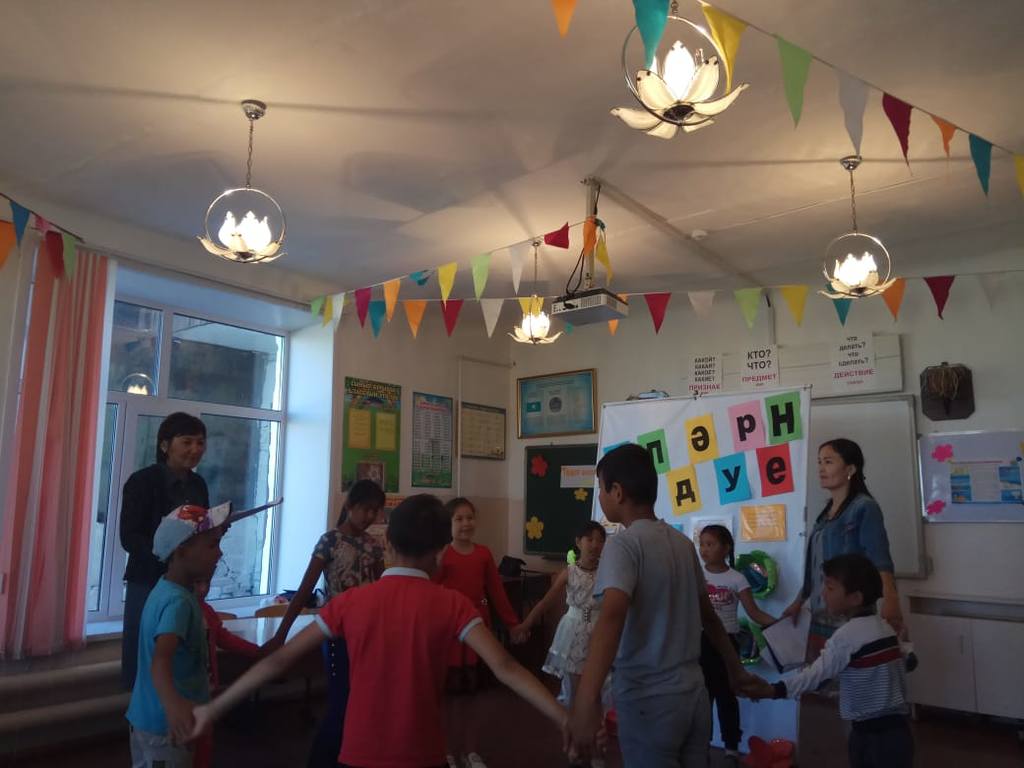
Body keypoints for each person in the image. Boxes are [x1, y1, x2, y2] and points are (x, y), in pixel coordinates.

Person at [189, 494, 567, 768]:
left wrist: (213, 709)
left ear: (387, 543)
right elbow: (506, 667)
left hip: (357, 753)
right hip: (423, 754)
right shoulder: (453, 605)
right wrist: (566, 718)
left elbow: (278, 661)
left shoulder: (350, 603)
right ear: (441, 551)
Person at [567, 444, 755, 767]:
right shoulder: (682, 544)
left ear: (617, 492)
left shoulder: (623, 545)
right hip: (694, 696)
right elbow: (709, 618)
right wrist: (735, 669)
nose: (600, 497)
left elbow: (611, 618)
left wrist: (585, 701)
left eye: (601, 489)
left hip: (649, 703)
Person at [744, 554, 913, 768]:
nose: (823, 593)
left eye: (830, 588)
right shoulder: (884, 627)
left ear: (855, 598)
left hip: (871, 738)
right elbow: (907, 661)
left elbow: (815, 675)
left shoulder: (847, 636)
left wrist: (773, 690)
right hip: (898, 733)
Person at [271, 479, 386, 768]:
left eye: (375, 511)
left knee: (363, 704)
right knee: (340, 705)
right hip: (338, 634)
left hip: (368, 634)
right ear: (350, 506)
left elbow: (382, 591)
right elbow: (303, 591)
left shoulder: (374, 546)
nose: (370, 516)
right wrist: (281, 634)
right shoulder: (330, 541)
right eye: (365, 509)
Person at [125, 503, 228, 768]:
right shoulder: (178, 603)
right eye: (212, 545)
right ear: (181, 551)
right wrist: (174, 706)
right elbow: (160, 660)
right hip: (167, 728)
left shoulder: (165, 589)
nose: (220, 553)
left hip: (149, 720)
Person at [783, 439, 902, 660]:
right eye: (819, 462)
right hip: (821, 613)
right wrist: (799, 600)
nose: (821, 469)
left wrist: (891, 600)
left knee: (849, 676)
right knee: (819, 676)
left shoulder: (864, 507)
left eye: (828, 462)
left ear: (850, 469)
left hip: (850, 613)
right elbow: (816, 567)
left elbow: (880, 559)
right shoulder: (825, 513)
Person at [120, 412, 209, 691]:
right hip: (148, 581)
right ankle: (141, 714)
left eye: (200, 442)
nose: (195, 449)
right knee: (143, 656)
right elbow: (129, 538)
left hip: (187, 582)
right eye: (187, 442)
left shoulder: (198, 484)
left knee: (182, 656)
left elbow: (201, 530)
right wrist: (167, 553)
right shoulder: (142, 481)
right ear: (164, 445)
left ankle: (177, 711)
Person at [436, 497, 526, 768]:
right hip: (450, 634)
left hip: (478, 632)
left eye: (470, 517)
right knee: (449, 697)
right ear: (448, 524)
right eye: (459, 519)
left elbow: (496, 592)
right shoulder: (442, 555)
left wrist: (512, 623)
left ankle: (470, 751)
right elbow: (431, 592)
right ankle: (447, 752)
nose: (466, 523)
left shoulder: (483, 554)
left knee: (474, 697)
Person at [519, 520, 609, 768]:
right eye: (590, 539)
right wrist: (525, 624)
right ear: (578, 542)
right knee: (576, 696)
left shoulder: (608, 571)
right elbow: (546, 602)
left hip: (600, 633)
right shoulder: (569, 572)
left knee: (597, 695)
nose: (595, 544)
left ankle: (597, 751)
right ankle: (575, 747)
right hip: (574, 633)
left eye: (600, 540)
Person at [697, 524, 776, 761]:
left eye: (710, 544)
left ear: (726, 548)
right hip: (700, 642)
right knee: (702, 699)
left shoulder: (737, 578)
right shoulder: (697, 575)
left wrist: (779, 623)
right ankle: (701, 747)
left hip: (727, 644)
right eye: (702, 544)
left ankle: (731, 748)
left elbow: (754, 613)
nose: (704, 549)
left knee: (726, 696)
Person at [192, 577, 265, 768]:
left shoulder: (206, 611)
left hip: (206, 690)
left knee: (204, 744)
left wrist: (257, 651)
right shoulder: (178, 610)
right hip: (186, 694)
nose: (203, 589)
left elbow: (224, 638)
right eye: (198, 583)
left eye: (207, 583)